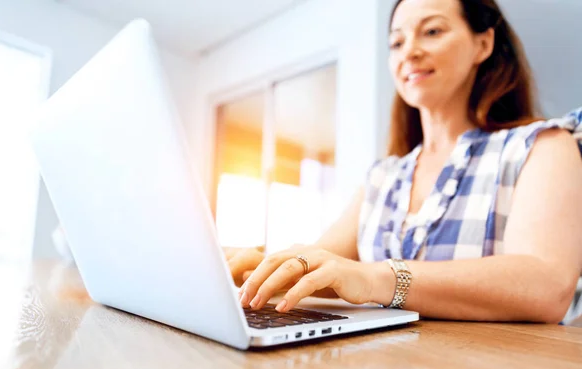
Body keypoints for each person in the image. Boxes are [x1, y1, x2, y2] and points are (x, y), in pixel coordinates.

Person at [226, 0, 582, 324]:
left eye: (432, 31)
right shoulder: (383, 177)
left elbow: (546, 285)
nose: (409, 51)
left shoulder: (542, 146)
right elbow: (325, 265)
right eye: (396, 42)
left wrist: (376, 277)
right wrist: (260, 269)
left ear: (483, 44)